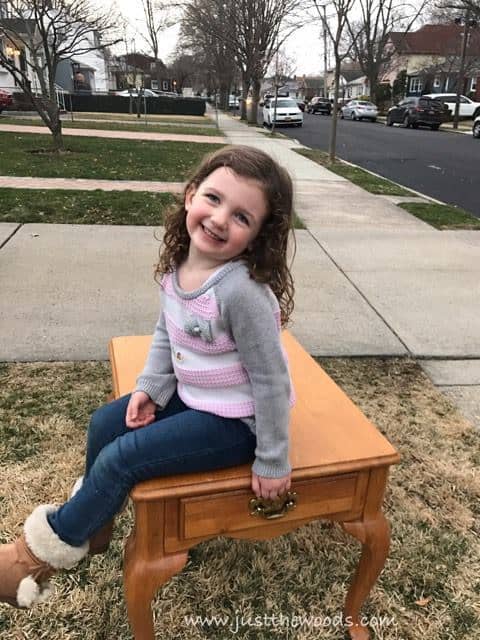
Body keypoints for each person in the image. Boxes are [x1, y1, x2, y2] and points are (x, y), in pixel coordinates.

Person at [0, 144, 296, 609]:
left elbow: (273, 382)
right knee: (105, 423)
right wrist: (150, 388)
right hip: (194, 395)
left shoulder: (243, 293)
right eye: (213, 199)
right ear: (190, 195)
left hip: (237, 422)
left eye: (242, 217)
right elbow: (166, 332)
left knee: (123, 458)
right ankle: (95, 524)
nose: (220, 219)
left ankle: (32, 559)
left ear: (259, 235)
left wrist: (273, 459)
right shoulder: (182, 265)